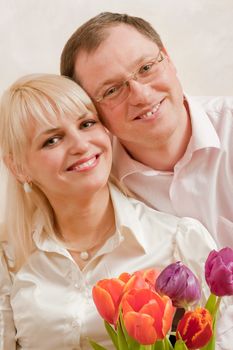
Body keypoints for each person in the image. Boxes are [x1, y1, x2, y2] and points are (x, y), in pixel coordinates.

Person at [0, 74, 231, 350]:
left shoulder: (177, 240)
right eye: (52, 140)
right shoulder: (8, 257)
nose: (81, 145)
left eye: (87, 124)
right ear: (18, 168)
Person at [60, 12, 233, 249]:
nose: (141, 96)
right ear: (92, 111)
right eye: (111, 90)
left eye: (146, 68)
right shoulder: (94, 181)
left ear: (169, 60)